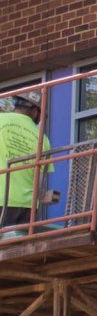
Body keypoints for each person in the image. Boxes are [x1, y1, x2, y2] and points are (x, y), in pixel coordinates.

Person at [0, 92, 40, 232]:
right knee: (18, 247)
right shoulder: (43, 139)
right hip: (28, 206)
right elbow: (42, 174)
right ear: (35, 112)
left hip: (1, 199)